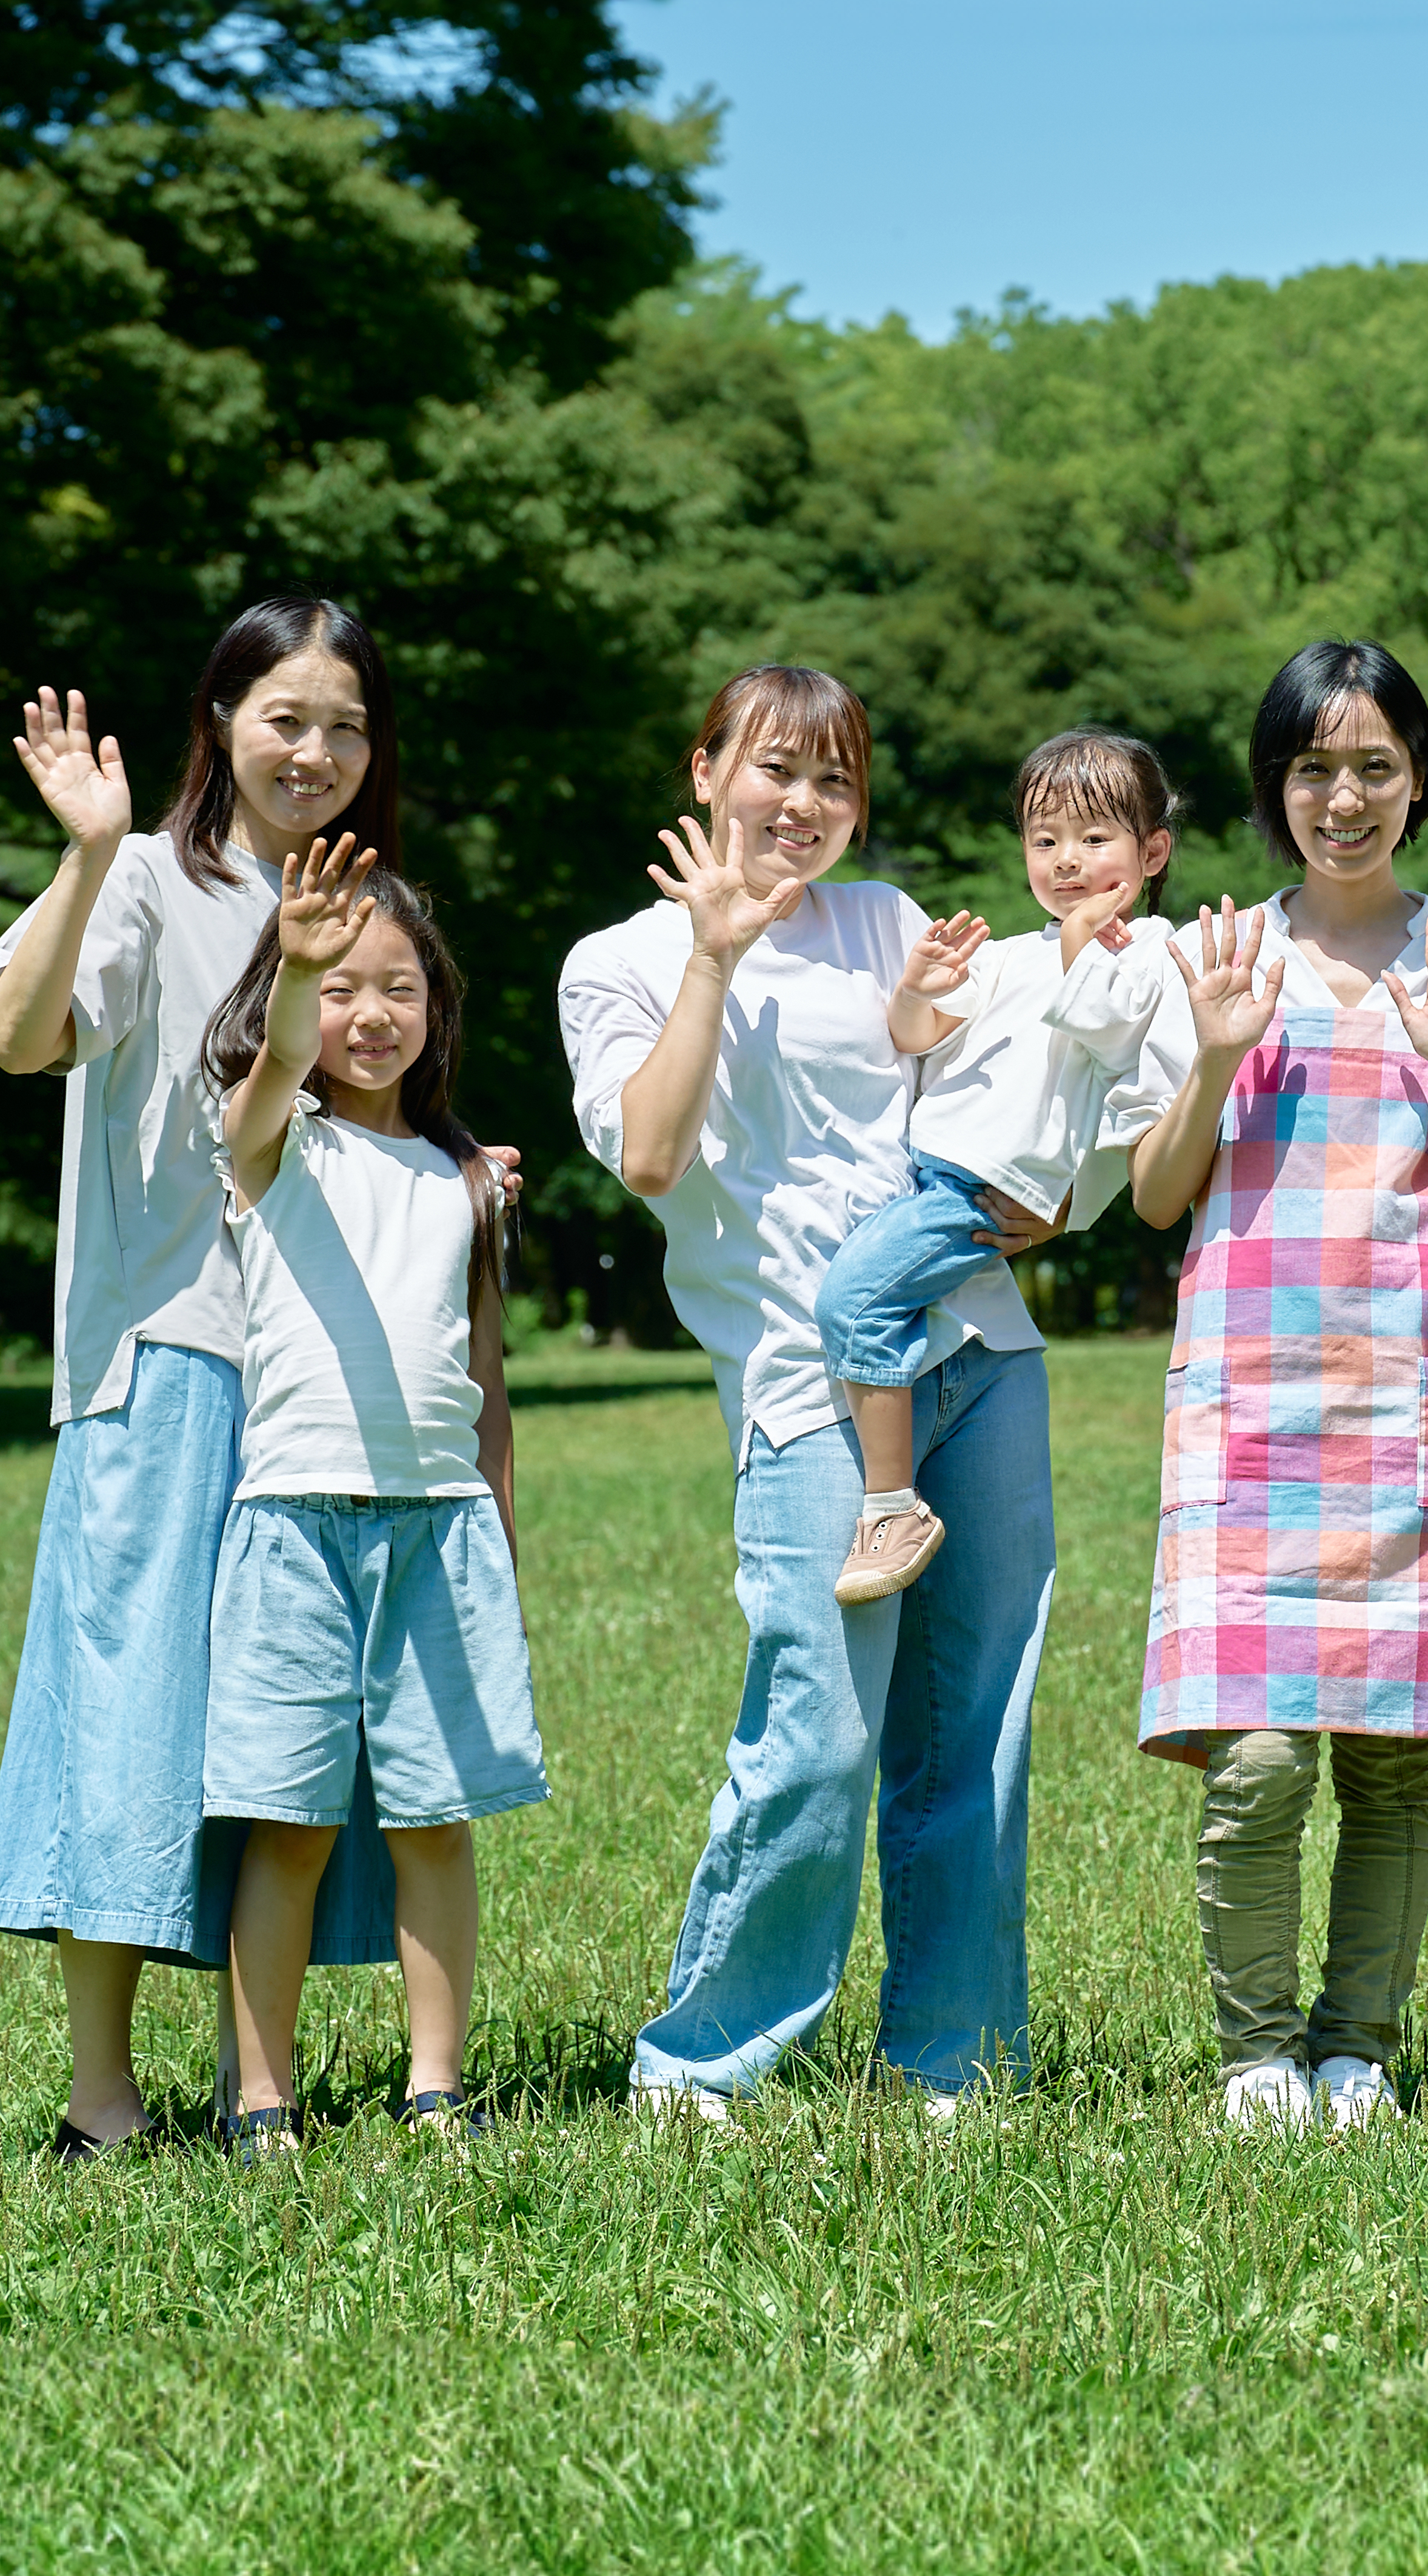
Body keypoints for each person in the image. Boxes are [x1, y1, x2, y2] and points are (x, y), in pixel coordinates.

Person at [558, 667, 1067, 2121]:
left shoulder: (890, 923)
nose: (805, 803)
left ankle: (953, 2059)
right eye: (776, 769)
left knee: (976, 1727)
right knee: (822, 1732)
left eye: (835, 779)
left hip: (976, 1354)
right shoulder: (623, 958)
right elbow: (650, 1158)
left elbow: (983, 1099)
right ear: (706, 767)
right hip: (802, 1382)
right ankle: (699, 2056)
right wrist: (715, 956)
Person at [0, 597, 405, 2160]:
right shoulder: (151, 876)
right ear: (222, 718)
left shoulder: (360, 899)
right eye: (287, 715)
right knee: (133, 1713)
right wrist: (85, 853)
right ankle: (101, 2091)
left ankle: (258, 2082)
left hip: (319, 1381)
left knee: (275, 1735)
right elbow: (23, 1039)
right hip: (167, 1358)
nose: (317, 750)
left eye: (347, 724)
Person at [1124, 640, 1428, 2134]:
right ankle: (1257, 2052)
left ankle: (1356, 2044)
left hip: (1411, 1395)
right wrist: (1213, 1055)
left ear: (1420, 779)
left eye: (1375, 765)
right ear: (1277, 786)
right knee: (1252, 1759)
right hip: (1252, 1405)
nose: (1345, 795)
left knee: (1388, 1762)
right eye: (1315, 767)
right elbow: (1157, 1190)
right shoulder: (1215, 955)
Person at [196, 849, 549, 2158]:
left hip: (440, 1527)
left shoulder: (469, 1181)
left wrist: (500, 1534)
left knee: (435, 1816)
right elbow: (280, 1061)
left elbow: (487, 1380)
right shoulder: (274, 1138)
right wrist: (296, 965)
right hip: (295, 1523)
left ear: (435, 1009)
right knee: (285, 1822)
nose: (371, 1013)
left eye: (397, 986)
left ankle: (437, 2083)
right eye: (342, 988)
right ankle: (263, 2094)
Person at [814, 730, 1185, 1600]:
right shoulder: (1011, 952)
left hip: (984, 1188)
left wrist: (1086, 941)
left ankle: (891, 1505)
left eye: (1095, 840)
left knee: (853, 1301)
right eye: (1044, 839)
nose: (1065, 863)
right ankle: (896, 1488)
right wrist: (919, 986)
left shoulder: (1154, 952)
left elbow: (1108, 1028)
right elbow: (915, 1039)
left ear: (1153, 851)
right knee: (873, 1298)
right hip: (930, 1173)